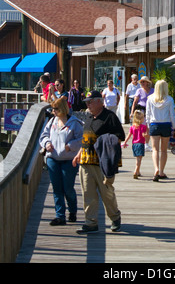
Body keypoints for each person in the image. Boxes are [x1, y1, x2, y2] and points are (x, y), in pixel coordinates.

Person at [72, 90, 125, 234]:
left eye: (90, 101)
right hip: (86, 160)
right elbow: (85, 141)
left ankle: (115, 218)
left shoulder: (110, 117)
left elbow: (119, 137)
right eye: (87, 102)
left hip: (103, 163)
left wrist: (105, 143)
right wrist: (78, 154)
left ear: (99, 102)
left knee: (106, 193)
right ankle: (91, 223)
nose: (88, 104)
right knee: (88, 193)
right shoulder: (89, 118)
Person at [39, 97, 83, 225]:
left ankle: (73, 210)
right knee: (57, 188)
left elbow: (82, 139)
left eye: (56, 109)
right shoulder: (52, 121)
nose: (54, 111)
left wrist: (71, 145)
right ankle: (60, 216)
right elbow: (44, 135)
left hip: (69, 159)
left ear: (63, 108)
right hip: (53, 158)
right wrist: (46, 143)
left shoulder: (75, 123)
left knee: (68, 188)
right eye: (53, 109)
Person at [146, 80, 175, 182]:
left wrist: (148, 125)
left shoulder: (150, 99)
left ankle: (156, 168)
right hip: (166, 125)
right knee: (163, 150)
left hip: (154, 124)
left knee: (155, 149)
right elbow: (172, 114)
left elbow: (148, 114)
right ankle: (162, 172)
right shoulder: (169, 99)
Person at [130, 76, 154, 152]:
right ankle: (141, 143)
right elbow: (134, 102)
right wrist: (132, 112)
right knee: (141, 127)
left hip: (150, 111)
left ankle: (146, 144)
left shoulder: (152, 91)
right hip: (141, 111)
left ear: (147, 82)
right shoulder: (139, 90)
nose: (142, 83)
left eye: (144, 81)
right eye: (141, 82)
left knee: (148, 127)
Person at [123, 110, 148, 179]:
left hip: (134, 144)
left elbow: (129, 135)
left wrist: (125, 142)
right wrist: (146, 135)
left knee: (137, 158)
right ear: (141, 119)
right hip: (140, 144)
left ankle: (138, 171)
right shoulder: (143, 127)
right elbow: (144, 135)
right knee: (139, 159)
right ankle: (136, 170)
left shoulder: (132, 127)